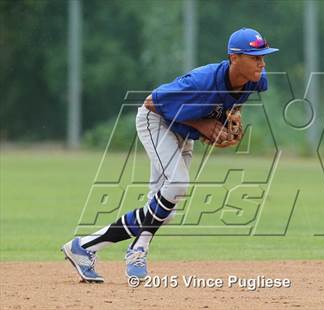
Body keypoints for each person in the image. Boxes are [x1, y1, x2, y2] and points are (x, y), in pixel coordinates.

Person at [61, 27, 278, 283]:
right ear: (234, 58)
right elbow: (152, 102)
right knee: (177, 186)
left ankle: (91, 248)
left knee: (165, 208)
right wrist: (203, 125)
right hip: (156, 122)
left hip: (182, 131)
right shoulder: (201, 81)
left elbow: (235, 99)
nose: (262, 63)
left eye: (263, 56)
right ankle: (129, 250)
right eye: (255, 57)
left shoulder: (255, 79)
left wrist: (231, 119)